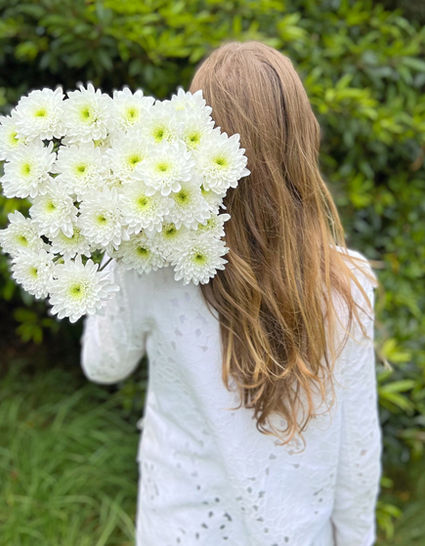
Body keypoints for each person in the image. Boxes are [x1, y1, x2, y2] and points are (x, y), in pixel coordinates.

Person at [80, 41, 382, 546]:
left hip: (176, 530)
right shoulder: (344, 284)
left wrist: (116, 241)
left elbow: (102, 364)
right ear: (303, 137)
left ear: (191, 136)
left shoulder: (150, 269)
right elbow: (358, 454)